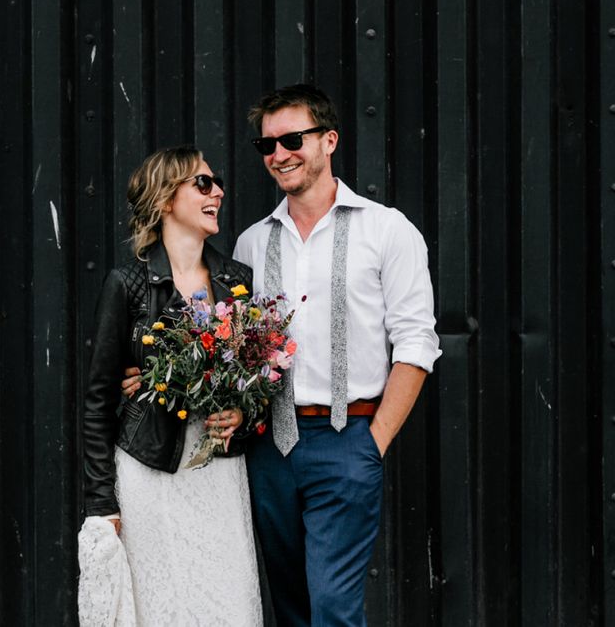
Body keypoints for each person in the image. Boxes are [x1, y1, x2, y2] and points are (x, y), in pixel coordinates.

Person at [232, 84, 442, 626]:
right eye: (267, 145)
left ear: (329, 140)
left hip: (348, 440)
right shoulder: (251, 243)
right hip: (268, 450)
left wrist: (372, 445)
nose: (279, 154)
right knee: (292, 607)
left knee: (333, 607)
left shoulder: (386, 230)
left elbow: (417, 342)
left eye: (292, 139)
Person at [82, 145, 262, 626]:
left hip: (219, 474)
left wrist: (243, 415)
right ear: (166, 200)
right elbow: (99, 401)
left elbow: (260, 383)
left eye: (216, 181)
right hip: (149, 470)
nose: (218, 191)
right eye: (203, 183)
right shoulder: (129, 284)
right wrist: (102, 502)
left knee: (226, 601)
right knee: (165, 606)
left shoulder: (236, 280)